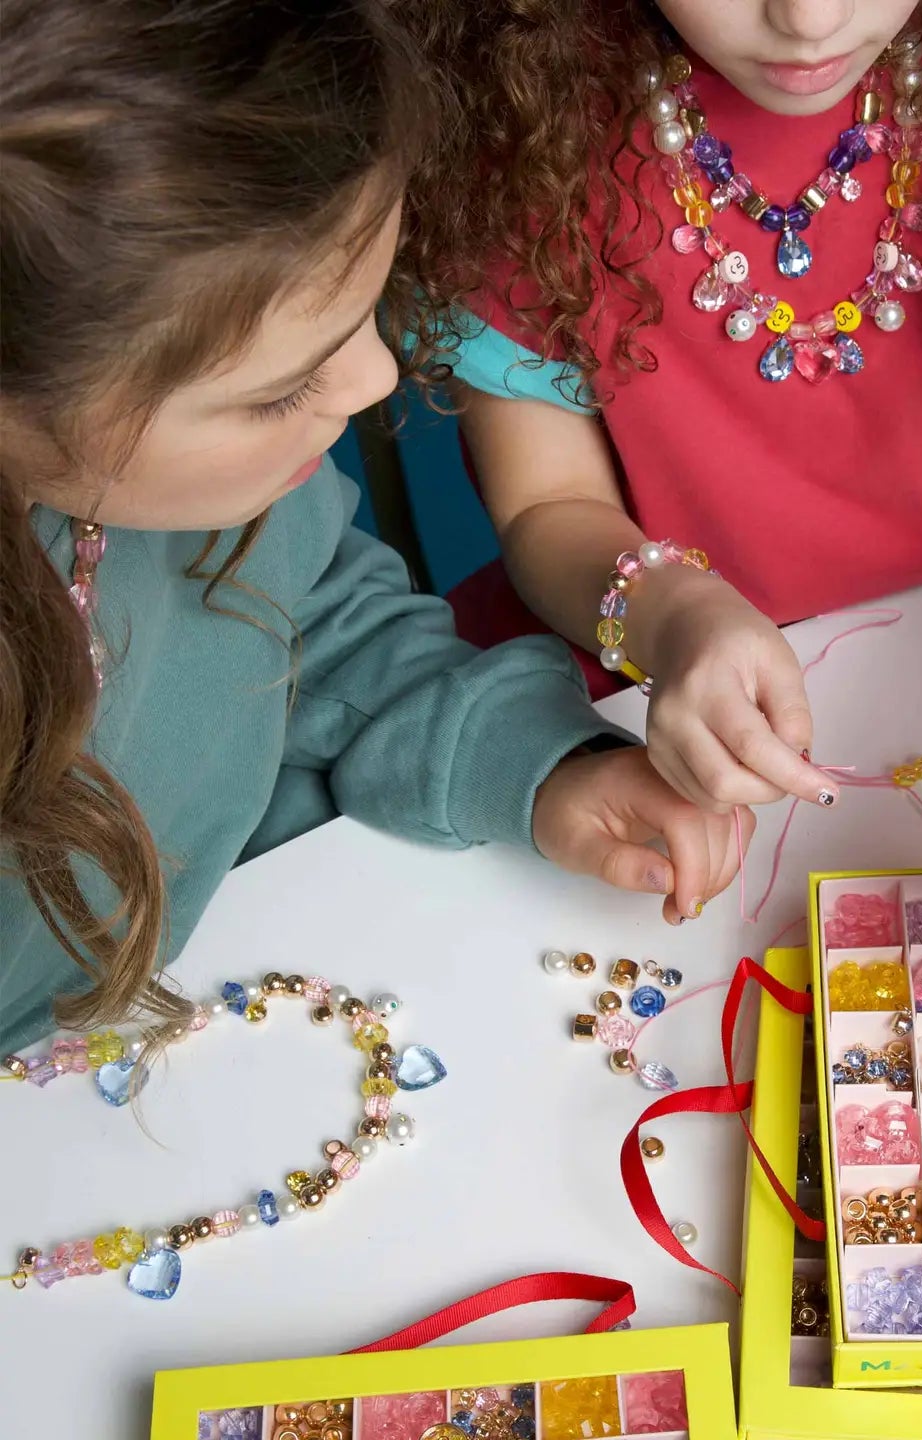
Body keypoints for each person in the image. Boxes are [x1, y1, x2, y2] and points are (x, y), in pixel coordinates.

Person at [397, 0, 922, 995]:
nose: (809, 19)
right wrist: (670, 612)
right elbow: (548, 505)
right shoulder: (517, 118)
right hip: (674, 697)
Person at [0, 0, 748, 1056]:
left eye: (367, 312)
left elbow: (321, 630)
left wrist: (541, 767)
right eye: (282, 388)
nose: (378, 379)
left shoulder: (235, 491)